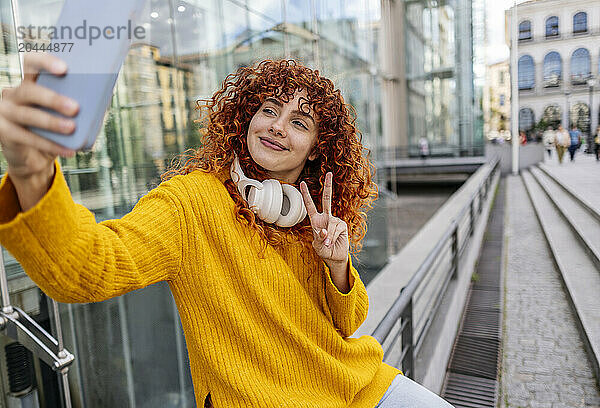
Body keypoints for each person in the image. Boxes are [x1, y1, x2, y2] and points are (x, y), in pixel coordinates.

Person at [0, 54, 454, 407]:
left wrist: (337, 266)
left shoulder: (307, 217)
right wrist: (32, 173)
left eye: (299, 122)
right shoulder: (192, 202)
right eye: (269, 110)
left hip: (362, 386)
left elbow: (348, 323)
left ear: (317, 149)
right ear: (246, 118)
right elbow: (86, 267)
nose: (277, 127)